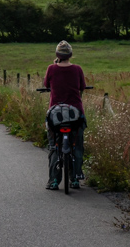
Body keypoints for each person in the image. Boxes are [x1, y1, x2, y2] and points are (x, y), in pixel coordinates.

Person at [43, 40, 87, 190]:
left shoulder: (51, 68)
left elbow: (46, 85)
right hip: (75, 113)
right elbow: (82, 87)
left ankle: (53, 181)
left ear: (57, 55)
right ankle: (75, 178)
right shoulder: (77, 69)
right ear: (70, 54)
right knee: (78, 145)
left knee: (54, 146)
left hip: (55, 115)